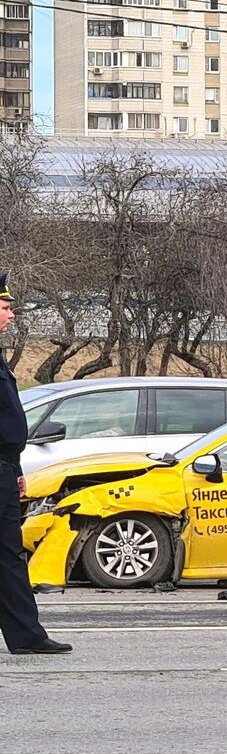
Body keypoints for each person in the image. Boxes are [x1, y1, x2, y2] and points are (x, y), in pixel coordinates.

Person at [0, 273, 72, 655]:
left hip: (4, 470)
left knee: (9, 556)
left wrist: (15, 470)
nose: (11, 315)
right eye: (6, 307)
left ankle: (27, 635)